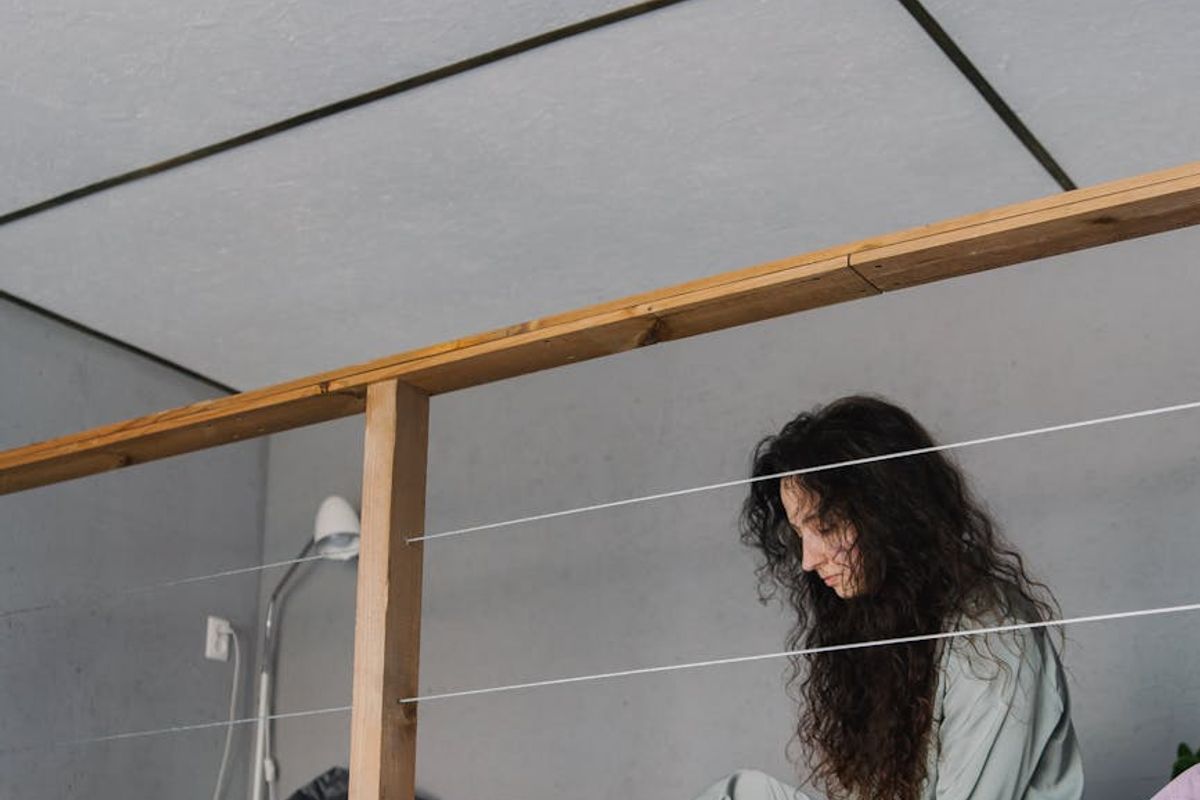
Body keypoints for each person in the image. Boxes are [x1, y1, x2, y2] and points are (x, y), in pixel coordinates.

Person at [693, 395, 1084, 800]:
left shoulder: (992, 637)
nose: (808, 560)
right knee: (738, 794)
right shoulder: (891, 619)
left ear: (891, 515)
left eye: (825, 527)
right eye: (798, 534)